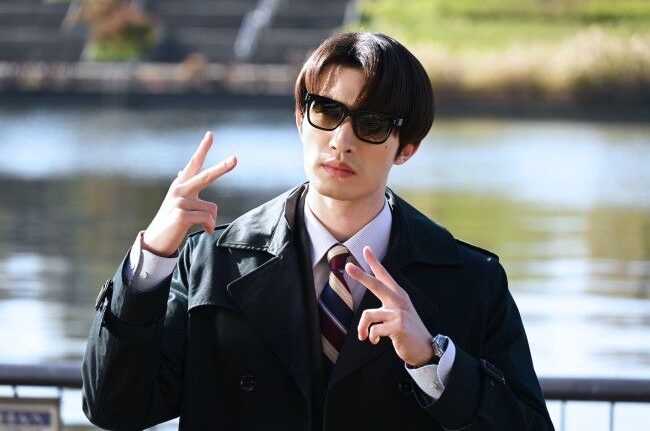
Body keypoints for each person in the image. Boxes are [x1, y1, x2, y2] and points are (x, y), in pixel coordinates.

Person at [82, 32, 554, 431]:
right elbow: (113, 408)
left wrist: (432, 361)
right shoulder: (211, 260)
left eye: (371, 124)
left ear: (407, 147)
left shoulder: (471, 281)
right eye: (327, 112)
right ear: (300, 118)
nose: (341, 141)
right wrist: (152, 258)